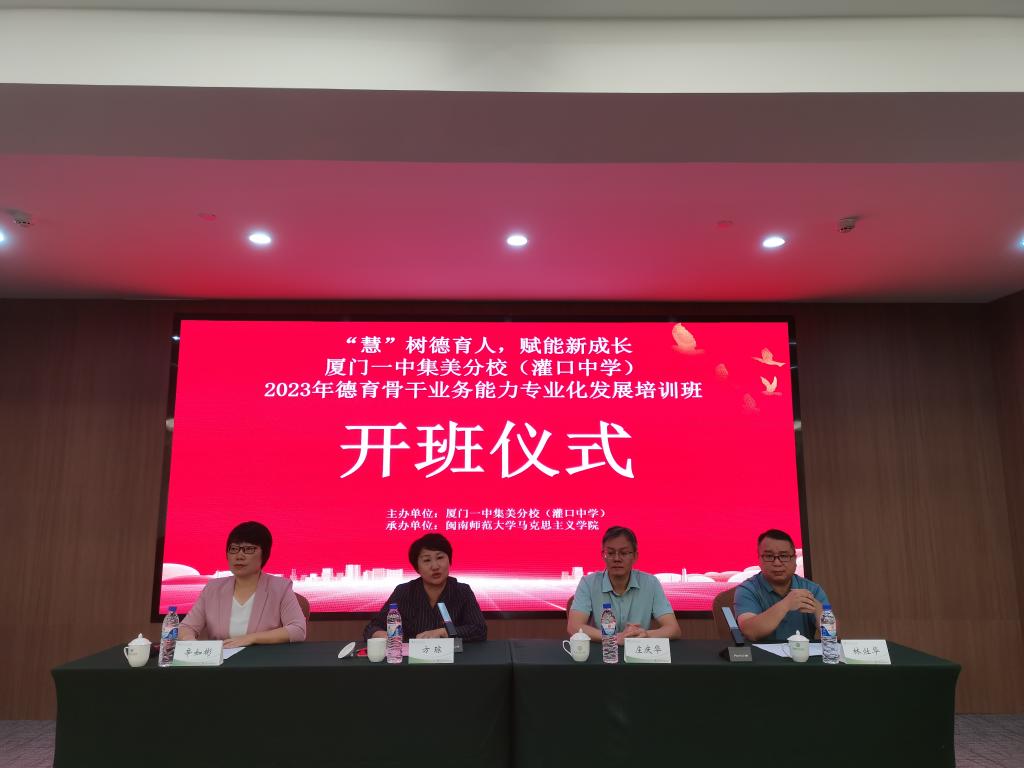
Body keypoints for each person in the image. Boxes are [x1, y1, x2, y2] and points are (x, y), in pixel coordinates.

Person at [179, 521, 307, 648]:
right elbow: (186, 627)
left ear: (264, 554)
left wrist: (251, 638)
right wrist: (191, 642)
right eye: (234, 549)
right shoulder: (213, 588)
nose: (239, 556)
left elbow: (298, 629)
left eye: (249, 549)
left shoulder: (280, 588)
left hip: (263, 658)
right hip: (222, 659)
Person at [567, 525, 681, 643]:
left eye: (624, 553)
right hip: (603, 650)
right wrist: (614, 638)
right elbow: (573, 627)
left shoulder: (651, 583)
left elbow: (673, 629)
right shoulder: (588, 583)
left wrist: (646, 634)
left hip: (638, 650)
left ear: (635, 556)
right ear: (603, 556)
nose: (617, 558)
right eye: (610, 553)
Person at [363, 533, 487, 641]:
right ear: (417, 568)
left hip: (453, 658)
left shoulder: (462, 591)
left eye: (440, 558)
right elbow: (372, 627)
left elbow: (479, 630)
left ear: (450, 561)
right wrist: (382, 635)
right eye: (427, 560)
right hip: (412, 659)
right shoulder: (404, 592)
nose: (435, 566)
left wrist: (444, 632)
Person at [734, 528, 829, 642]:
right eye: (769, 556)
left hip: (803, 652)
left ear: (794, 560)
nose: (777, 563)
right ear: (759, 559)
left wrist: (817, 609)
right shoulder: (747, 590)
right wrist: (786, 604)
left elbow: (835, 634)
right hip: (760, 654)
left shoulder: (812, 589)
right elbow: (750, 632)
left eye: (784, 556)